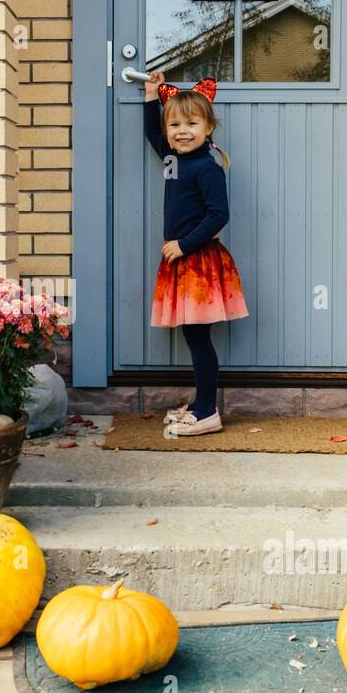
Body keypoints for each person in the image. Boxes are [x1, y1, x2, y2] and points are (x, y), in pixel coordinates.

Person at [142, 71, 249, 437]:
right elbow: (152, 135)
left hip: (197, 262)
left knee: (198, 337)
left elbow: (219, 214)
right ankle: (200, 403)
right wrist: (149, 95)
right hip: (181, 261)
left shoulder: (207, 166)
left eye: (191, 123)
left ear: (208, 127)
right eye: (174, 124)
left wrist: (184, 244)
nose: (181, 131)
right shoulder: (174, 160)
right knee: (193, 336)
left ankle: (206, 411)